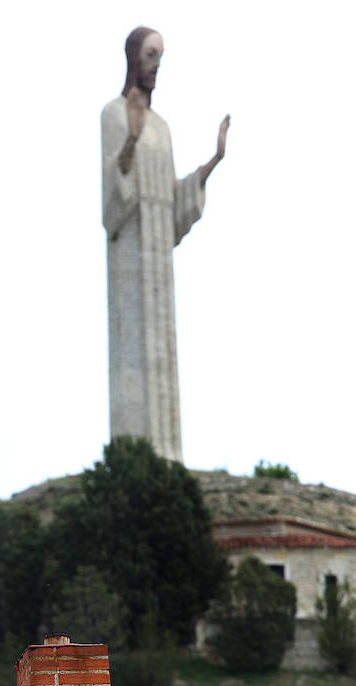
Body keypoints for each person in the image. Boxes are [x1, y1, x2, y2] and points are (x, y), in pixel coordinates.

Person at [102, 27, 230, 465]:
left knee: (163, 352)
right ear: (133, 58)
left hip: (159, 256)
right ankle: (132, 460)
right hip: (128, 255)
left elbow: (176, 202)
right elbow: (112, 191)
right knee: (133, 345)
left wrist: (210, 165)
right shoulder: (114, 115)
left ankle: (167, 460)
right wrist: (131, 139)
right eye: (151, 55)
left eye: (161, 57)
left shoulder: (164, 127)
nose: (156, 65)